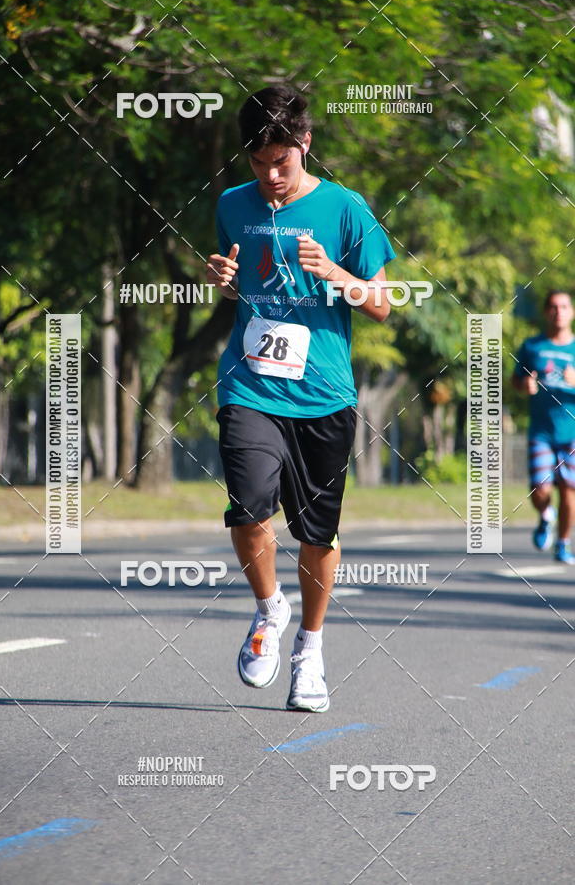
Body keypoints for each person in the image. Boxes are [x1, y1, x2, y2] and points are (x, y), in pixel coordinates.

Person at [205, 85, 395, 711]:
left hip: (322, 396)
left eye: (281, 161)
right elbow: (240, 285)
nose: (271, 175)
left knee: (317, 534)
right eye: (259, 163)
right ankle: (269, 610)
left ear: (306, 143)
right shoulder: (233, 204)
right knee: (247, 508)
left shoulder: (346, 208)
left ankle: (309, 652)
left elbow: (382, 304)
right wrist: (224, 282)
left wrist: (335, 274)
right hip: (250, 384)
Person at [513, 290, 575, 564]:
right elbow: (516, 380)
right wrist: (524, 385)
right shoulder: (532, 347)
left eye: (564, 306)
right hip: (542, 433)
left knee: (569, 492)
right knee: (540, 491)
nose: (558, 312)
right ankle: (546, 515)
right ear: (545, 312)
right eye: (553, 307)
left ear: (572, 312)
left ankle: (562, 544)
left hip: (572, 434)